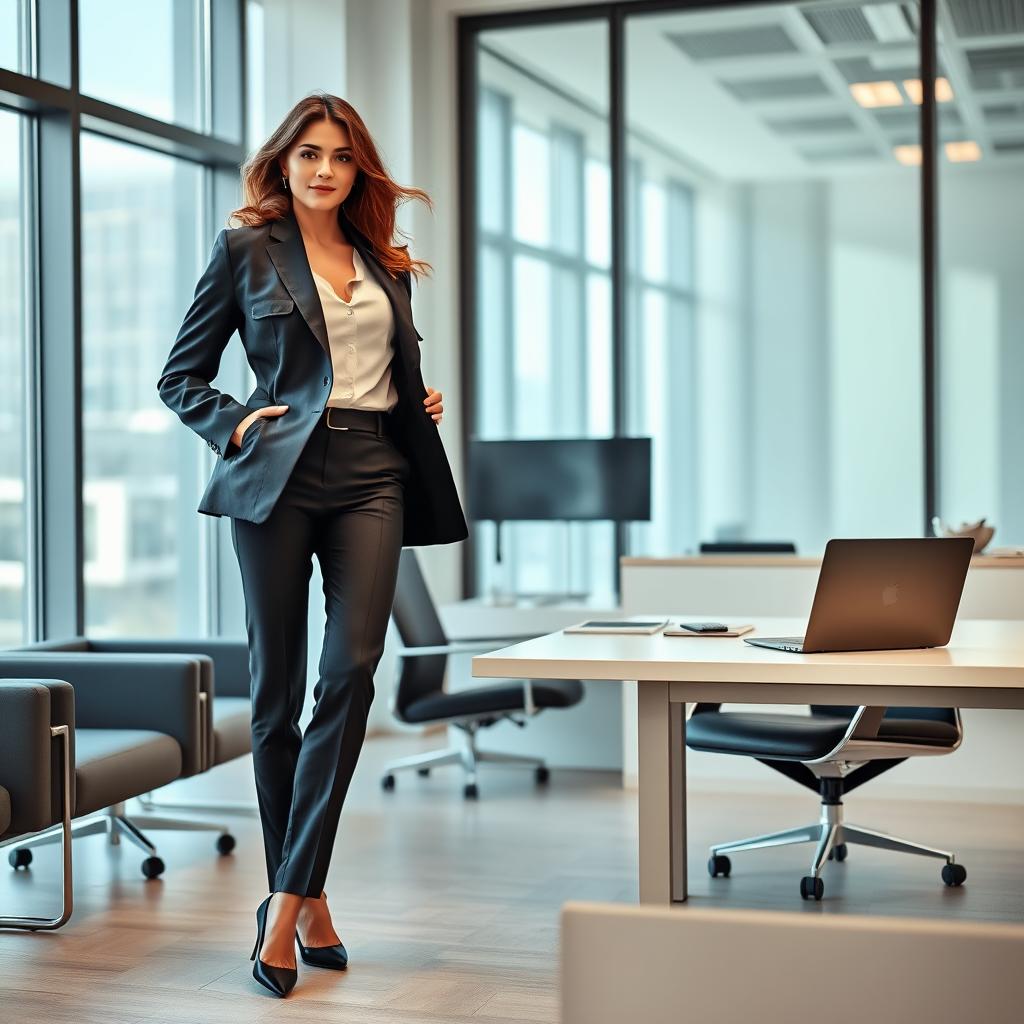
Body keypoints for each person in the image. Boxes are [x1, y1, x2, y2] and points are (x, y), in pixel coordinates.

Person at [156, 92, 467, 998]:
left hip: (375, 470)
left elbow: (378, 369)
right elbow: (181, 375)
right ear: (282, 165)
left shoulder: (385, 262)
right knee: (278, 694)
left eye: (340, 156)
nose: (324, 169)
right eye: (308, 155)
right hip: (279, 473)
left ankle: (283, 904)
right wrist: (234, 426)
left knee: (354, 672)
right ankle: (310, 900)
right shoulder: (247, 248)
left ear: (357, 168)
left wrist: (418, 400)